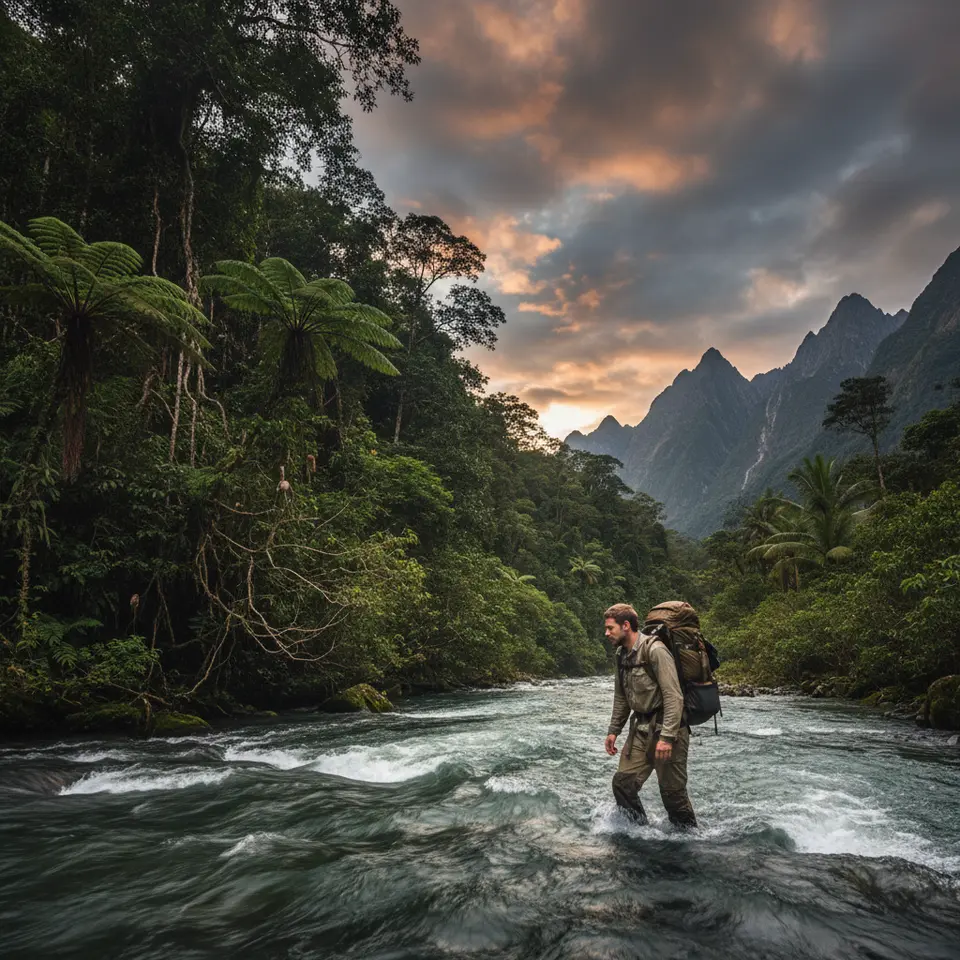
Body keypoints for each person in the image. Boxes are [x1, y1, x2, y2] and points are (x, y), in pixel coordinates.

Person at [603, 602, 697, 828]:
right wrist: (613, 731)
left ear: (626, 626)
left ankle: (690, 843)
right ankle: (642, 835)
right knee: (623, 785)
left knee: (673, 796)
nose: (606, 633)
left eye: (610, 628)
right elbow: (621, 697)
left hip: (667, 728)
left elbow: (674, 696)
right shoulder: (621, 655)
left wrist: (666, 737)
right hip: (640, 729)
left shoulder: (655, 650)